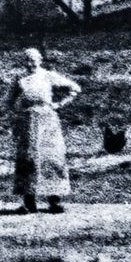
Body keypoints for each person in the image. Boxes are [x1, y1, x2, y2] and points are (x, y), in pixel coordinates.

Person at [10, 47, 81, 214]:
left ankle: (54, 201)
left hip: (48, 121)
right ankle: (29, 202)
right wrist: (19, 111)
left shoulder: (48, 75)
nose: (30, 64)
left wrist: (59, 104)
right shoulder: (19, 79)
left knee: (52, 158)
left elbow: (75, 88)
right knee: (29, 159)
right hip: (28, 122)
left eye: (33, 60)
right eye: (27, 60)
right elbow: (8, 101)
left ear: (40, 60)